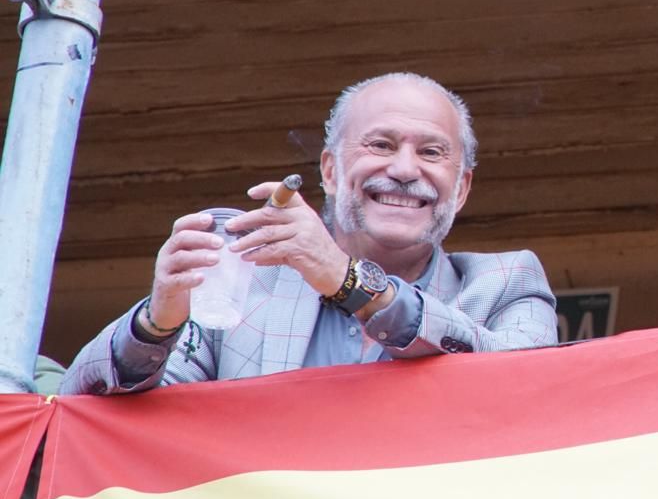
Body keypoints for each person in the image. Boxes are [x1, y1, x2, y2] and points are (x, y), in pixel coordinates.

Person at [63, 73, 559, 394]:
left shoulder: (505, 281)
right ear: (330, 171)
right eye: (381, 145)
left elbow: (534, 394)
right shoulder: (242, 284)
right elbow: (91, 412)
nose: (406, 169)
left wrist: (349, 282)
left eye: (431, 152)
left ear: (462, 187)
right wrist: (156, 325)